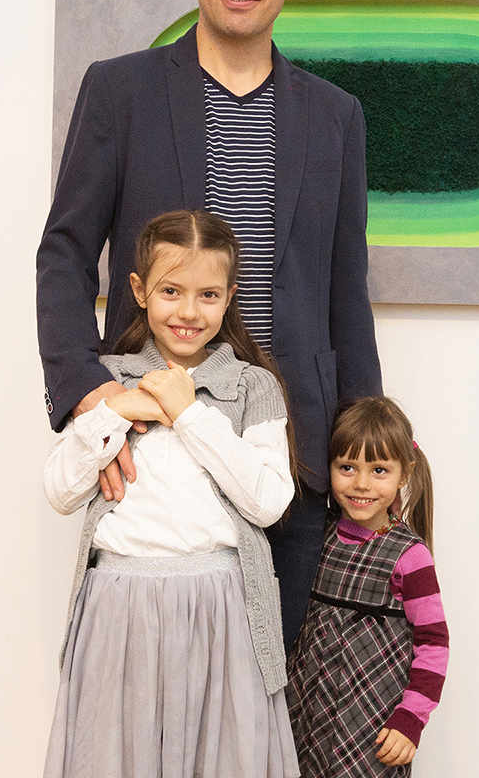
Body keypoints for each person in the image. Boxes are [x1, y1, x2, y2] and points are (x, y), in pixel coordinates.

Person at [36, 0, 382, 648]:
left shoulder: (335, 116)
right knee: (150, 698)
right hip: (152, 453)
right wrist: (87, 392)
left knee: (273, 698)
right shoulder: (119, 92)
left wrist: (366, 441)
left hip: (288, 458)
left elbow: (345, 290)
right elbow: (64, 253)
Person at [43, 210, 300, 778]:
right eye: (171, 291)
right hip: (119, 608)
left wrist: (189, 414)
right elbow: (60, 491)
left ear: (229, 297)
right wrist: (115, 410)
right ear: (139, 291)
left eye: (208, 295)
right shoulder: (109, 380)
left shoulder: (252, 385)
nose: (188, 311)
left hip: (222, 608)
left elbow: (268, 501)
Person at [286, 397, 449, 777]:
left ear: (404, 474)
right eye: (347, 467)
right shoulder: (316, 535)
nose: (361, 483)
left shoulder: (410, 557)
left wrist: (411, 718)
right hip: (304, 711)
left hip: (370, 723)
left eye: (379, 470)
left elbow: (434, 643)